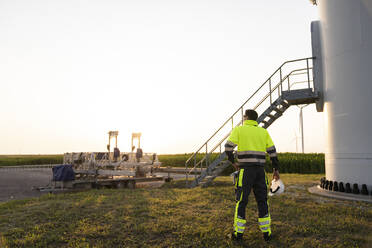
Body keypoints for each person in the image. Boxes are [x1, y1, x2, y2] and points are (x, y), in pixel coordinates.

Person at [225, 109, 280, 243]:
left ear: (246, 117)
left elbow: (228, 148)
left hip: (245, 171)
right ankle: (267, 233)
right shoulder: (263, 131)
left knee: (242, 201)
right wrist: (276, 169)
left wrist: (233, 162)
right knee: (263, 201)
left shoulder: (239, 130)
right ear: (255, 119)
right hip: (260, 172)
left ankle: (238, 234)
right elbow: (272, 152)